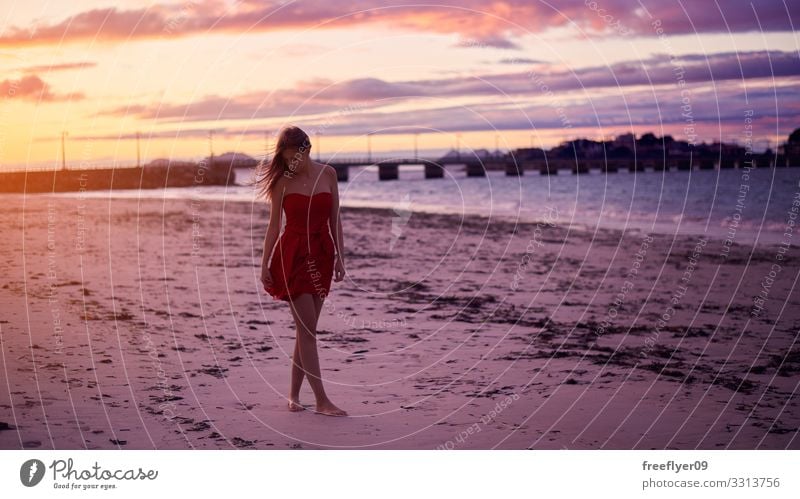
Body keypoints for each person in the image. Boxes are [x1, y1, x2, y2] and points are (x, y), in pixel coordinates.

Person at [253, 125, 347, 417]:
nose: (292, 161)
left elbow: (336, 221)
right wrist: (264, 263)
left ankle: (293, 396)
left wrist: (341, 257)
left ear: (307, 149)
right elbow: (273, 227)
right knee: (307, 331)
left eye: (297, 155)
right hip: (292, 256)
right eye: (287, 157)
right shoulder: (281, 183)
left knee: (306, 331)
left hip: (321, 254)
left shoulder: (328, 174)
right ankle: (321, 401)